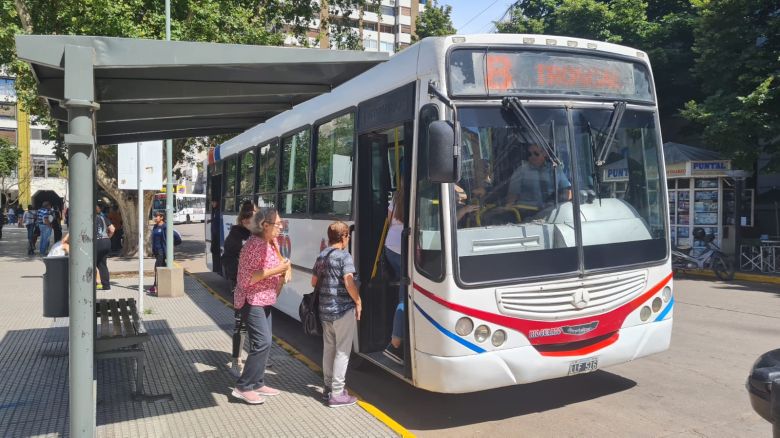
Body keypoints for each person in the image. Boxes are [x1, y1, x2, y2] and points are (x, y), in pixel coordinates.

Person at [231, 207, 290, 405]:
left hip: (265, 298)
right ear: (265, 225)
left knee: (266, 342)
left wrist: (284, 269)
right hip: (252, 299)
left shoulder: (271, 242)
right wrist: (278, 270)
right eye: (278, 223)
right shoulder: (253, 246)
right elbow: (247, 278)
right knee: (262, 342)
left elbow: (280, 264)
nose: (281, 227)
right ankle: (243, 386)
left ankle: (257, 382)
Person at [311, 221, 361, 407]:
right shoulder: (344, 257)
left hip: (325, 311)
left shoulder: (322, 255)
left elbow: (313, 282)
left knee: (329, 348)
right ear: (344, 236)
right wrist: (358, 301)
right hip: (342, 311)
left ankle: (327, 388)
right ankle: (337, 393)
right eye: (347, 236)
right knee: (342, 351)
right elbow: (349, 282)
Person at [223, 203, 255, 377]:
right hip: (239, 284)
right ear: (244, 220)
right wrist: (238, 279)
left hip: (254, 286)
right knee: (241, 323)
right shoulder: (236, 237)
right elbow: (227, 261)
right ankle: (236, 360)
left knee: (256, 322)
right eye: (254, 218)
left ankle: (257, 357)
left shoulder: (255, 235)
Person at [505, 143, 571, 212]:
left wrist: (558, 199)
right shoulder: (520, 172)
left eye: (536, 153)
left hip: (551, 213)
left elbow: (568, 192)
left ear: (544, 154)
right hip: (526, 216)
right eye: (529, 154)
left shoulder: (555, 170)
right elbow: (511, 199)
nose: (532, 156)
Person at [382, 184, 406, 365]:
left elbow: (390, 221)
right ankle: (395, 344)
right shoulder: (421, 193)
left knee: (404, 291)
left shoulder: (397, 197)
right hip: (405, 249)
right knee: (406, 296)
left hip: (390, 247)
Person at [95, 204, 114, 291]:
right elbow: (112, 229)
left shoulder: (89, 218)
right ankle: (106, 286)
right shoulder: (103, 218)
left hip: (96, 242)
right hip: (106, 242)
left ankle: (95, 283)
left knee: (90, 263)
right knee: (102, 264)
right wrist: (108, 237)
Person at [149, 212, 168, 295]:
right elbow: (153, 239)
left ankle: (155, 286)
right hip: (156, 251)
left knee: (157, 268)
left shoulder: (165, 226)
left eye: (157, 216)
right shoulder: (155, 226)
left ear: (162, 217)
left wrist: (167, 251)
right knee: (160, 269)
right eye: (155, 216)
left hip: (162, 251)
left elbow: (169, 239)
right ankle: (161, 286)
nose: (155, 218)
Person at [209, 199, 223, 276]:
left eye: (213, 202)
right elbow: (215, 220)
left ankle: (219, 269)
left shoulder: (218, 211)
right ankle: (218, 268)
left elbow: (218, 221)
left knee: (216, 251)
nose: (212, 203)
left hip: (217, 235)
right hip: (215, 235)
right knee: (214, 251)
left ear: (217, 202)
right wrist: (211, 220)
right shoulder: (215, 210)